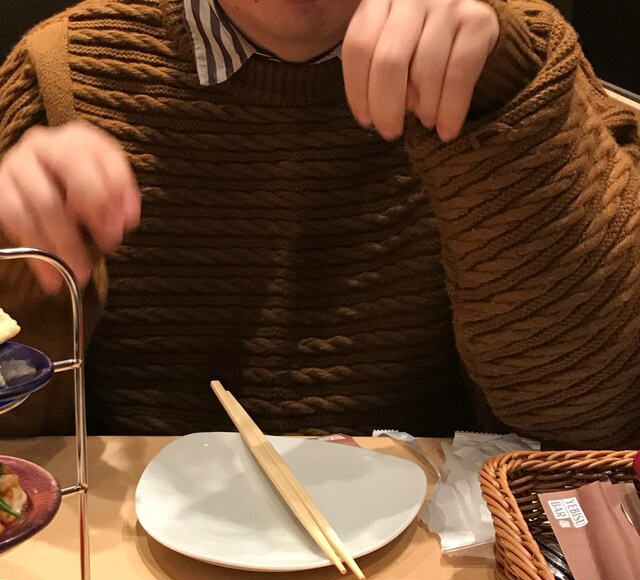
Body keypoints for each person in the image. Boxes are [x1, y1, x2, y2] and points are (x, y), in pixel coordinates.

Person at [0, 0, 638, 448]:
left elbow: (596, 424)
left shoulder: (519, 54)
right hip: (128, 559)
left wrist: (498, 100)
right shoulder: (58, 74)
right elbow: (21, 456)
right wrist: (21, 264)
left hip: (441, 557)